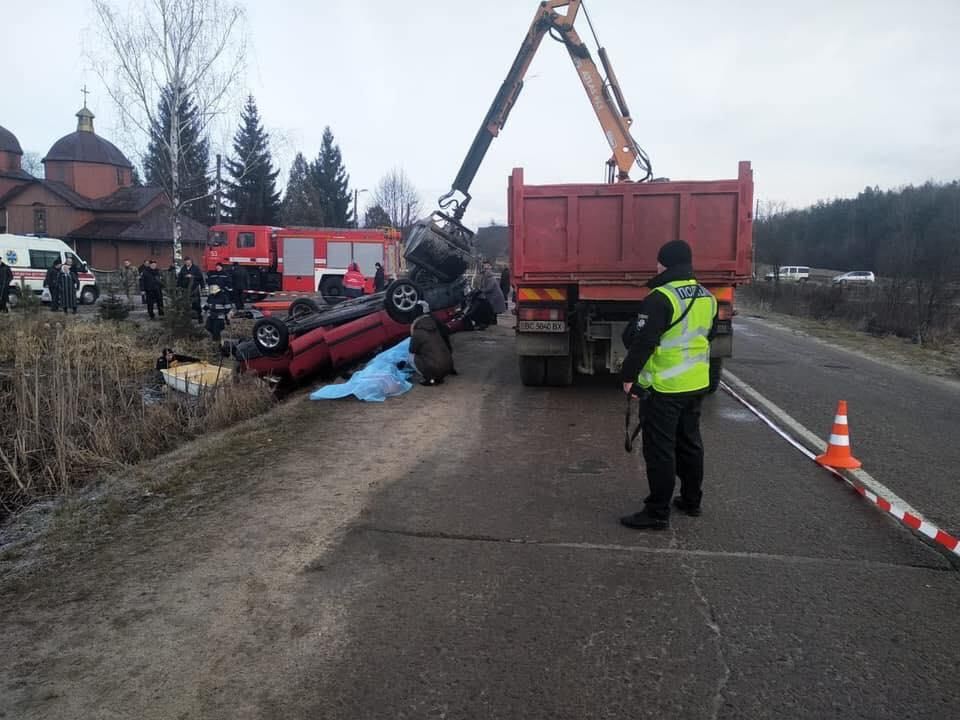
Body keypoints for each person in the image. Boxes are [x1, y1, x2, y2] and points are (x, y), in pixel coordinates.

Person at [619, 240, 718, 530]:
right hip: (696, 383)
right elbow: (707, 337)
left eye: (659, 262)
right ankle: (691, 501)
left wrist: (627, 378)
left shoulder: (660, 297)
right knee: (689, 443)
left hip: (665, 387)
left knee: (660, 450)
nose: (656, 266)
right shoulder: (706, 297)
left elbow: (642, 343)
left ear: (666, 264)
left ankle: (657, 512)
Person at [409, 302, 456, 386]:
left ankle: (430, 379)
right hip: (448, 366)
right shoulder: (434, 325)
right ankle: (438, 376)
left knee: (411, 356)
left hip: (436, 368)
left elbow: (412, 350)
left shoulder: (418, 331)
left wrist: (413, 335)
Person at [177, 257, 205, 322]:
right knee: (186, 303)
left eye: (188, 261)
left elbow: (200, 278)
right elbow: (179, 278)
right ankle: (189, 317)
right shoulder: (183, 269)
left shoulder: (196, 268)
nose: (187, 263)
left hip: (194, 288)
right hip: (185, 289)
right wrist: (178, 286)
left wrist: (193, 277)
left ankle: (199, 317)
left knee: (197, 303)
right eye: (186, 262)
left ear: (191, 261)